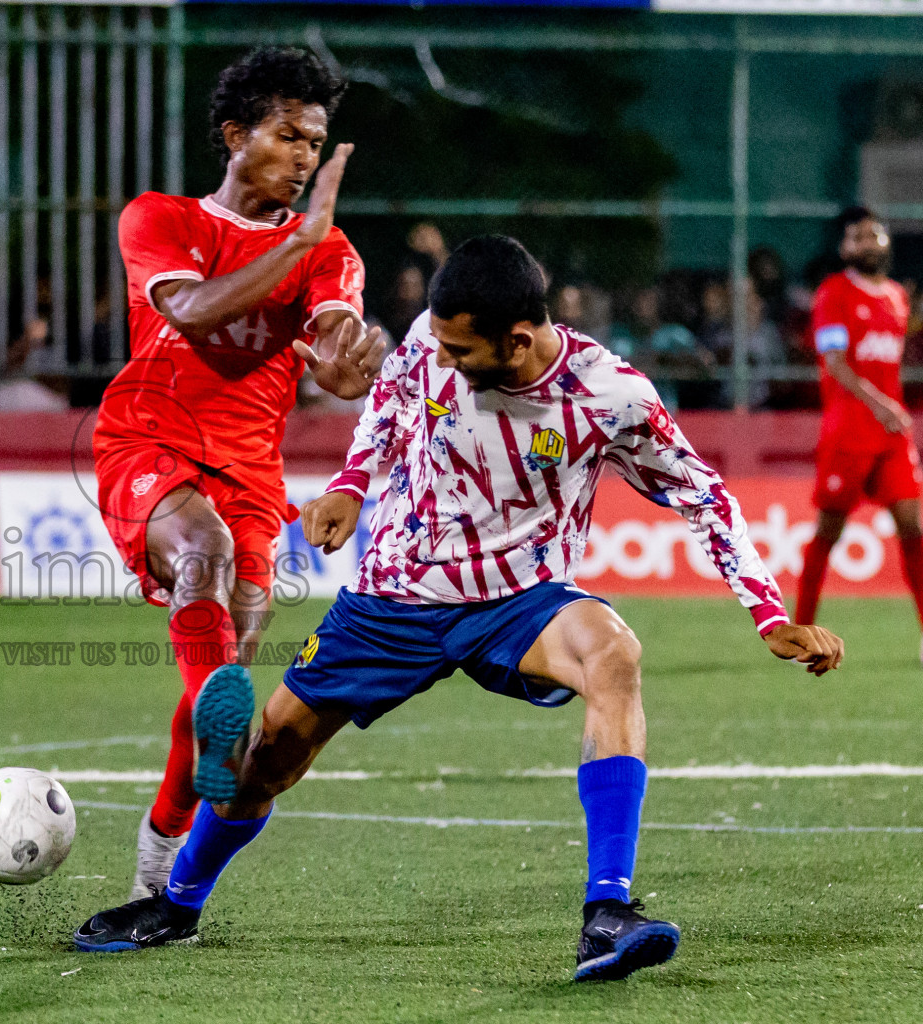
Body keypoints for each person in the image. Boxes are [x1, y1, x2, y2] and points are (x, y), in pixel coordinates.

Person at [72, 235, 846, 982]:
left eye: (462, 351)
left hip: (518, 602)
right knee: (266, 759)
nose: (442, 357)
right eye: (438, 342)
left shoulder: (610, 398)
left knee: (613, 653)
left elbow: (702, 494)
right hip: (393, 598)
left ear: (516, 341)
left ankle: (608, 912)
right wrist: (351, 482)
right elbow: (391, 398)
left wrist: (768, 615)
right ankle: (176, 905)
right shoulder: (432, 337)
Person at [92, 46, 385, 901]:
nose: (304, 157)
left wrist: (348, 360)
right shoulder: (162, 219)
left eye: (315, 141)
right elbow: (186, 310)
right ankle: (212, 720)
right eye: (288, 135)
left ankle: (155, 862)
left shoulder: (331, 252)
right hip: (148, 438)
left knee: (217, 688)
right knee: (203, 555)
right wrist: (296, 241)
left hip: (253, 472)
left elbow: (332, 352)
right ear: (234, 135)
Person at [795, 206, 923, 655]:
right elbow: (835, 365)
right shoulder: (833, 293)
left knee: (914, 527)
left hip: (890, 436)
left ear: (886, 242)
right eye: (857, 237)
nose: (867, 243)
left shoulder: (897, 297)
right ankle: (799, 630)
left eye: (874, 235)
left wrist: (892, 408)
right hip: (848, 433)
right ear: (844, 248)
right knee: (828, 532)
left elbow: (889, 365)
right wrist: (883, 403)